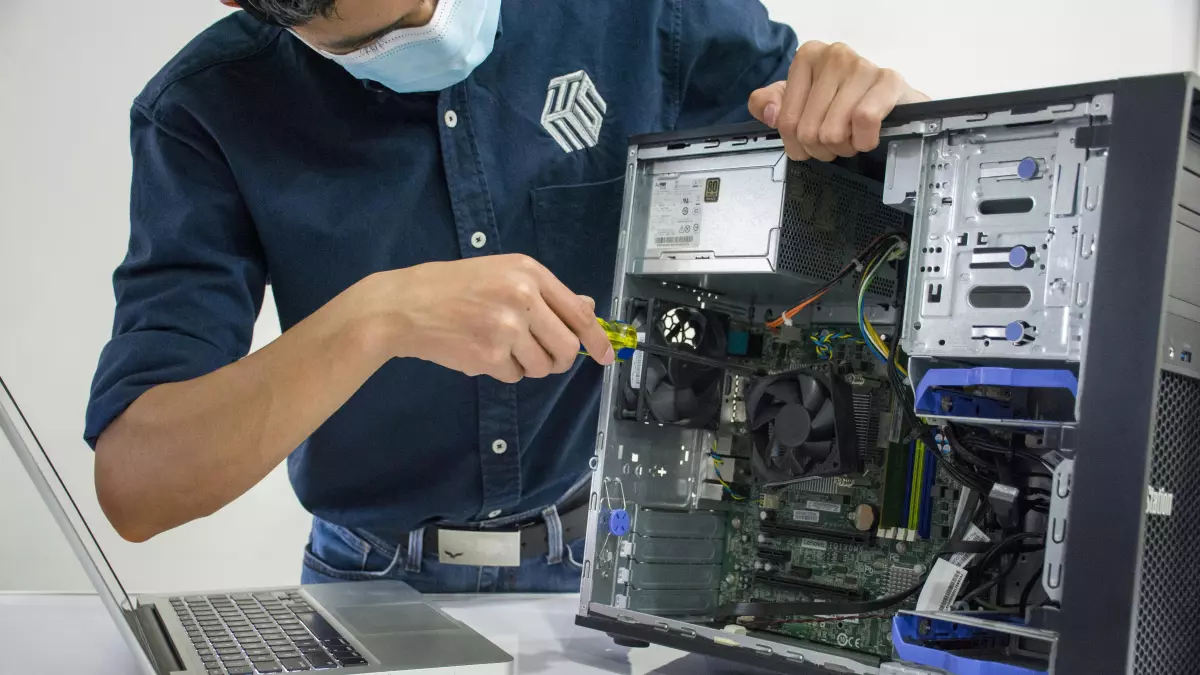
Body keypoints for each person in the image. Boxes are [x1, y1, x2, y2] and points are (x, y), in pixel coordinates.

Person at [86, 0, 926, 593]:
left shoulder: (645, 14)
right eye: (383, 29)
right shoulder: (202, 110)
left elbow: (861, 179)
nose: (434, 24)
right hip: (366, 580)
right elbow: (139, 484)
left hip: (605, 567)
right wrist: (378, 318)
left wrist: (891, 112)